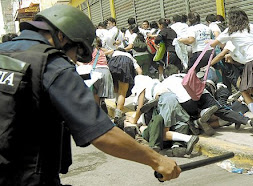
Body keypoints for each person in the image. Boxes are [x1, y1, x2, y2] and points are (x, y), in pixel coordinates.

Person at [0, 5, 180, 185]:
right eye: (75, 53)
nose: (74, 61)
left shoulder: (3, 51)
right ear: (61, 37)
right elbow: (101, 133)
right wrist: (157, 160)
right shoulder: (52, 64)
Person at [208, 7, 253, 132]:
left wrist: (209, 42)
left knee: (243, 90)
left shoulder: (231, 31)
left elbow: (214, 44)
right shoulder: (252, 26)